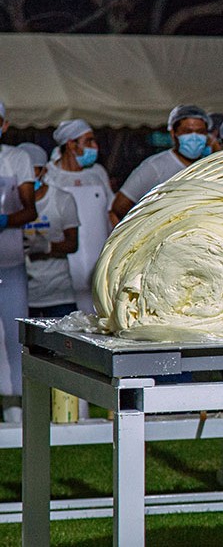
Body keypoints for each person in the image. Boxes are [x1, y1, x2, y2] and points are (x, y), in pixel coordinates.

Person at [44, 119, 113, 312]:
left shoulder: (98, 173)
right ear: (71, 144)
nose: (95, 147)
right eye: (89, 141)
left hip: (98, 260)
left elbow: (110, 211)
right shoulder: (50, 174)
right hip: (65, 267)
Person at [0, 102, 37, 423]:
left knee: (14, 340)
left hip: (9, 265)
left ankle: (16, 413)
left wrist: (6, 219)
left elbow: (30, 210)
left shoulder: (17, 159)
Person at [111, 105, 212, 222]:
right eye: (187, 131)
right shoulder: (154, 167)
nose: (194, 137)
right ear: (174, 134)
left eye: (200, 132)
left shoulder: (209, 164)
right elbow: (120, 207)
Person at [21, 143, 80, 318]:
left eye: (32, 171)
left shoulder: (62, 199)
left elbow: (72, 244)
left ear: (44, 171)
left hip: (59, 294)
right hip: (25, 294)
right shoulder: (11, 204)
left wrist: (47, 246)